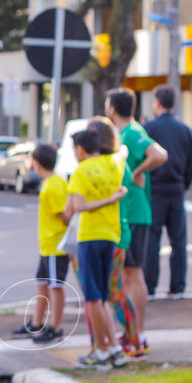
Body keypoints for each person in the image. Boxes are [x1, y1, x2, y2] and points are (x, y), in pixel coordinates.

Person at [105, 89, 167, 356]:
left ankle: (137, 334)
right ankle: (133, 333)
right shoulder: (127, 133)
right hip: (129, 213)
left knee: (133, 274)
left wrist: (138, 173)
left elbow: (159, 155)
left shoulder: (132, 133)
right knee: (130, 274)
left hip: (134, 213)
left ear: (111, 109)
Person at [65, 128, 129, 369]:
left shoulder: (80, 172)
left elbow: (78, 206)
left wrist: (110, 199)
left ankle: (103, 350)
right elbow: (123, 150)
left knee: (93, 298)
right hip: (111, 234)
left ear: (80, 150)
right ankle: (113, 348)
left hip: (90, 236)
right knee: (102, 296)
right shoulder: (113, 164)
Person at [88, 117, 140, 357]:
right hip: (119, 230)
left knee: (110, 293)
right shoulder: (119, 161)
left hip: (111, 232)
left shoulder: (107, 165)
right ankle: (131, 339)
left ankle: (130, 341)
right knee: (112, 292)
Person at [13, 143, 69, 342]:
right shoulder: (52, 182)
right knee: (42, 283)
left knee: (55, 286)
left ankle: (56, 326)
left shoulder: (54, 185)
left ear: (36, 163)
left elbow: (64, 215)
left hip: (55, 245)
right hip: (48, 244)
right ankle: (37, 322)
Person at [142, 84, 192, 298]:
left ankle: (150, 287)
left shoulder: (150, 128)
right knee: (178, 241)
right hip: (177, 187)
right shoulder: (185, 130)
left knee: (152, 240)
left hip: (155, 189)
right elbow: (191, 163)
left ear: (158, 102)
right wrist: (184, 183)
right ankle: (178, 287)